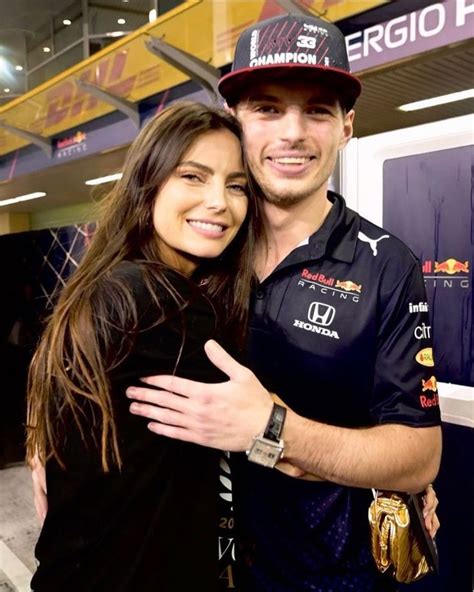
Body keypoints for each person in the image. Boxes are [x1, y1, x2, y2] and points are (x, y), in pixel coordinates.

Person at [126, 14, 442, 591]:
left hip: (325, 577)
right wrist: (50, 436)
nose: (293, 132)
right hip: (188, 561)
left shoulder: (385, 264)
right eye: (268, 108)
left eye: (317, 110)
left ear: (347, 127)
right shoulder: (199, 244)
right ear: (236, 123)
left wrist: (273, 429)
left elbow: (418, 456)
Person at [25, 101, 259, 591]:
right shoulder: (154, 302)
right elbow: (282, 417)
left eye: (236, 185)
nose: (219, 201)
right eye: (193, 176)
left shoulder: (109, 285)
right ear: (147, 184)